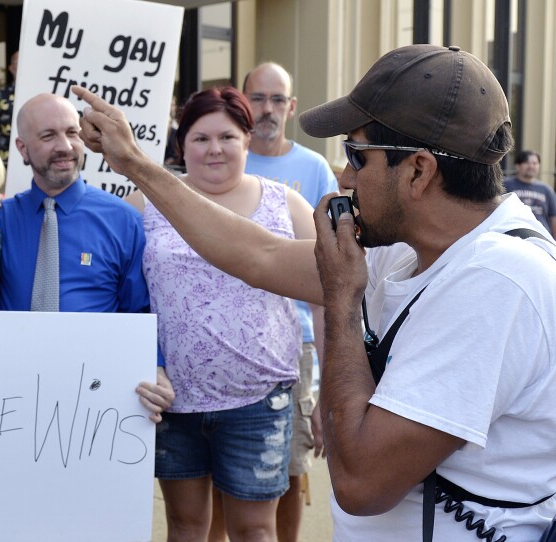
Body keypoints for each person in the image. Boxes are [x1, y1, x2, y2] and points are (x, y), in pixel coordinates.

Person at [74, 43, 556, 541]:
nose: (345, 178)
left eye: (356, 156)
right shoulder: (414, 248)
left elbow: (361, 483)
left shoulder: (499, 283)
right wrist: (134, 163)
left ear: (418, 170)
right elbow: (256, 255)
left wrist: (343, 300)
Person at [125, 86, 314, 542]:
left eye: (227, 137)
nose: (214, 149)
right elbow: (124, 298)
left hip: (258, 400)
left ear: (248, 140)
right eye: (200, 138)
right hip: (172, 401)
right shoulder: (142, 206)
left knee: (255, 531)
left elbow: (328, 298)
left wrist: (328, 395)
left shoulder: (286, 205)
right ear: (181, 145)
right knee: (187, 527)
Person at [0, 92, 174, 422]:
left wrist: (154, 367)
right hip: (11, 398)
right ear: (22, 149)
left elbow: (139, 310)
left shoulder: (122, 220)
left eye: (72, 133)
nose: (65, 146)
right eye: (48, 135)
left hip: (99, 399)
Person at [241, 61, 333, 542]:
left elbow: (333, 267)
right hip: (231, 337)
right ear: (242, 100)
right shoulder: (225, 158)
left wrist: (327, 373)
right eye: (259, 98)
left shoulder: (313, 169)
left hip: (293, 345)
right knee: (230, 476)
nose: (268, 109)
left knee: (291, 469)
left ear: (292, 108)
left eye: (279, 100)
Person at [503, 149, 556, 234]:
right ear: (517, 166)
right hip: (512, 235)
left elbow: (553, 217)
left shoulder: (546, 190)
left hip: (541, 237)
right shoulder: (505, 185)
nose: (531, 166)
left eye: (535, 163)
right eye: (527, 163)